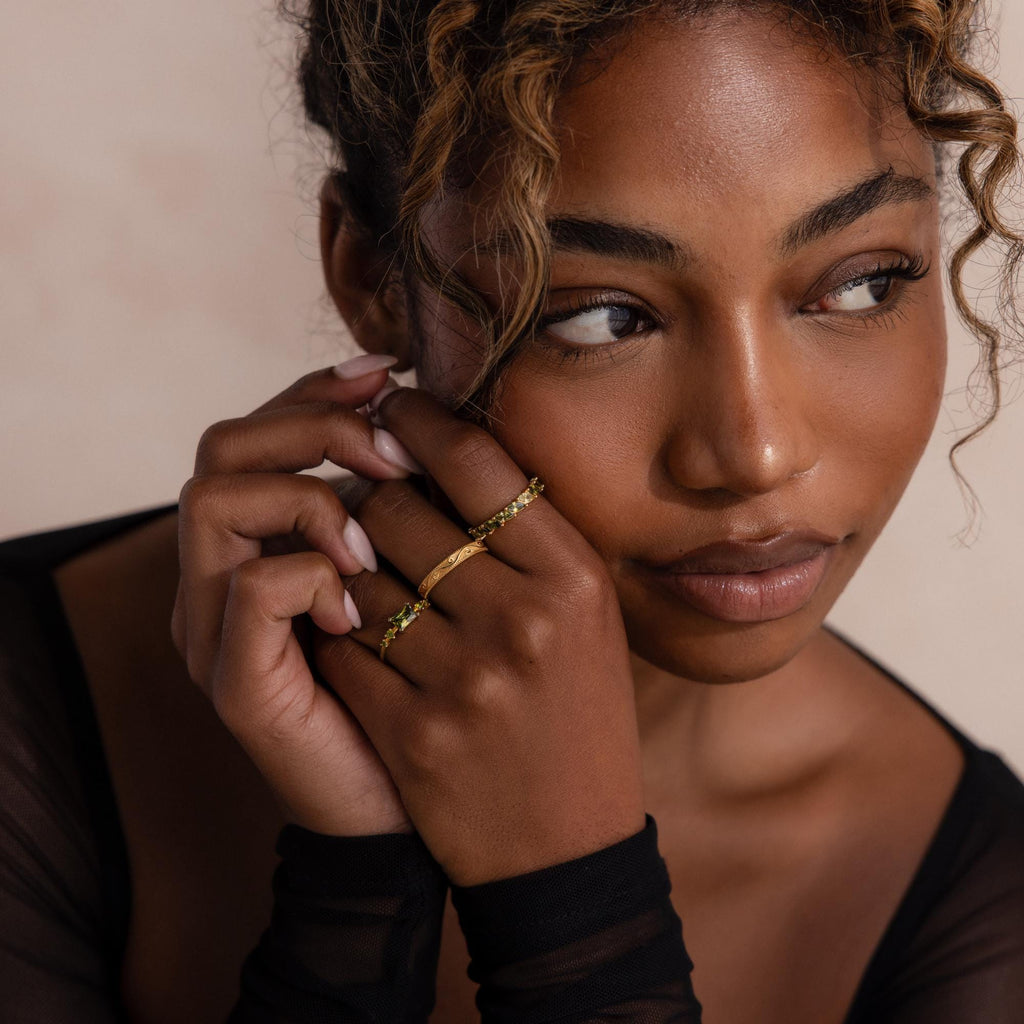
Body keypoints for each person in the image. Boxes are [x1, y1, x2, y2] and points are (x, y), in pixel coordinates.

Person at [2, 0, 1023, 1020]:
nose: (755, 453)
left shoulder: (960, 887)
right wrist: (354, 885)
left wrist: (572, 899)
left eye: (860, 286)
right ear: (374, 279)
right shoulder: (34, 713)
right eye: (603, 317)